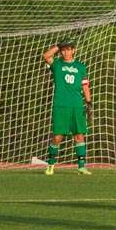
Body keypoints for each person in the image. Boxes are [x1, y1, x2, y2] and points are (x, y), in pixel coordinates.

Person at [42, 40, 92, 175]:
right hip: (61, 105)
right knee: (57, 137)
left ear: (73, 50)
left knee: (79, 135)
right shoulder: (57, 64)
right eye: (63, 50)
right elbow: (46, 56)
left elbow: (85, 86)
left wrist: (89, 102)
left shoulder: (81, 66)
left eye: (68, 49)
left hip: (76, 105)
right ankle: (51, 164)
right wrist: (57, 46)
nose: (66, 52)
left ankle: (81, 166)